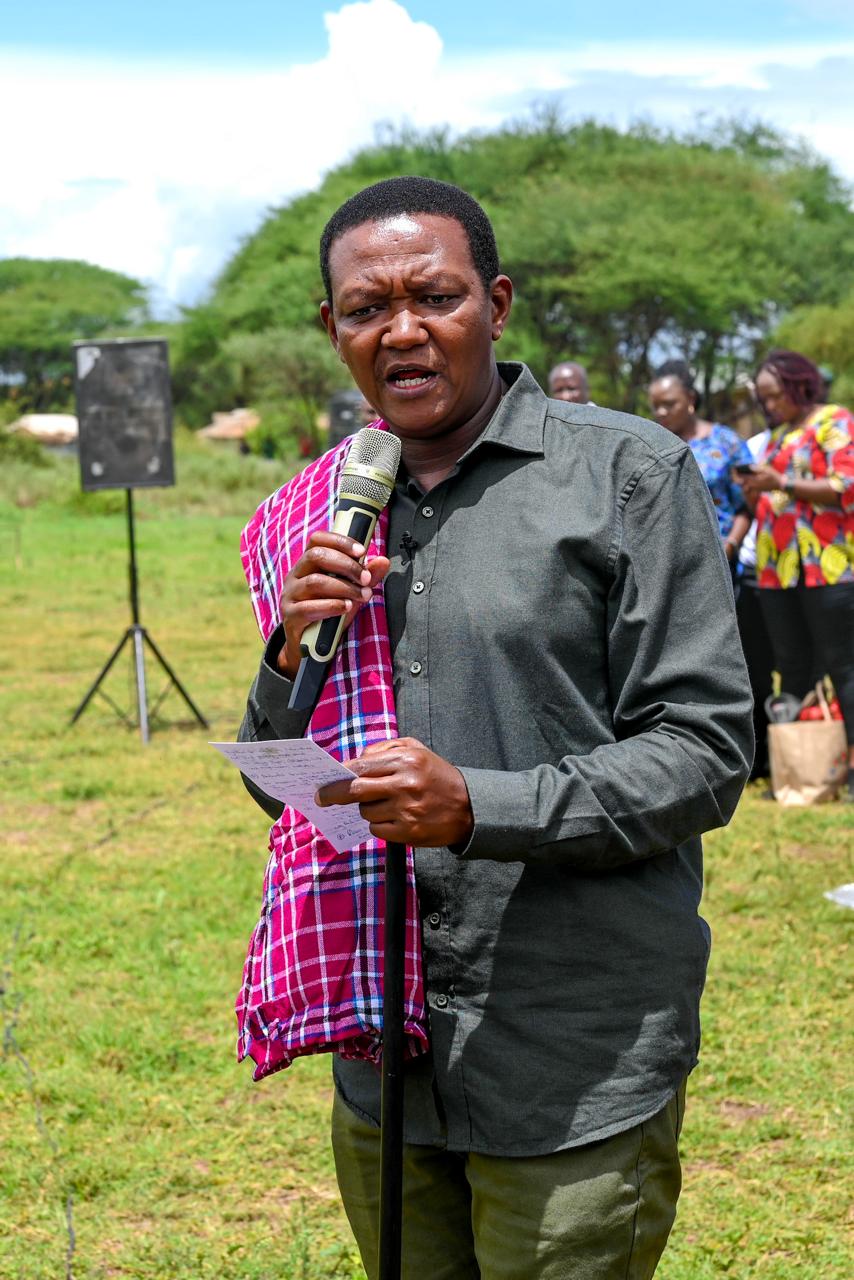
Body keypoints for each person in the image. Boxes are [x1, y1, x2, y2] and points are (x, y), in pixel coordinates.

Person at [236, 176, 753, 1279]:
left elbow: (706, 750)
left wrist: (477, 805)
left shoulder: (626, 475)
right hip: (385, 1047)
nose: (402, 330)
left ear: (497, 303)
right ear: (332, 328)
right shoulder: (326, 508)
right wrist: (290, 644)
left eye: (435, 296)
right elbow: (283, 782)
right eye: (367, 307)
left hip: (567, 1050)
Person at [738, 349, 854, 795]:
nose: (770, 405)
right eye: (764, 399)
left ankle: (850, 770)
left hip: (830, 567)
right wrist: (754, 490)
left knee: (844, 667)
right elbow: (770, 503)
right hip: (778, 570)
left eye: (775, 395)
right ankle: (795, 770)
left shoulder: (833, 421)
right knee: (790, 669)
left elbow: (845, 486)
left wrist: (782, 482)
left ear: (798, 385)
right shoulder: (777, 436)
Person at [648, 360, 753, 568]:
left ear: (690, 399)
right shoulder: (649, 446)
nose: (661, 412)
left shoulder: (726, 442)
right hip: (665, 565)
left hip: (719, 562)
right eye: (656, 406)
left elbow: (746, 506)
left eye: (669, 404)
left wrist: (730, 545)